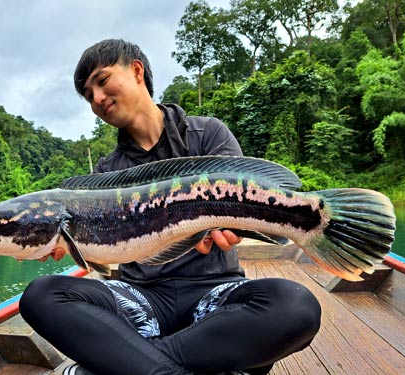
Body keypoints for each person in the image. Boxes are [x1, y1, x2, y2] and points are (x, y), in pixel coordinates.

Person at [19, 39, 321, 375]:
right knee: (41, 295)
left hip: (215, 293)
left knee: (296, 306)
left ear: (136, 71)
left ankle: (130, 363)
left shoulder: (207, 134)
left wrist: (233, 227)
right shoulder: (105, 175)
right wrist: (69, 244)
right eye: (89, 96)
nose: (98, 99)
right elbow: (104, 256)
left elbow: (243, 202)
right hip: (141, 298)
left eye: (102, 81)